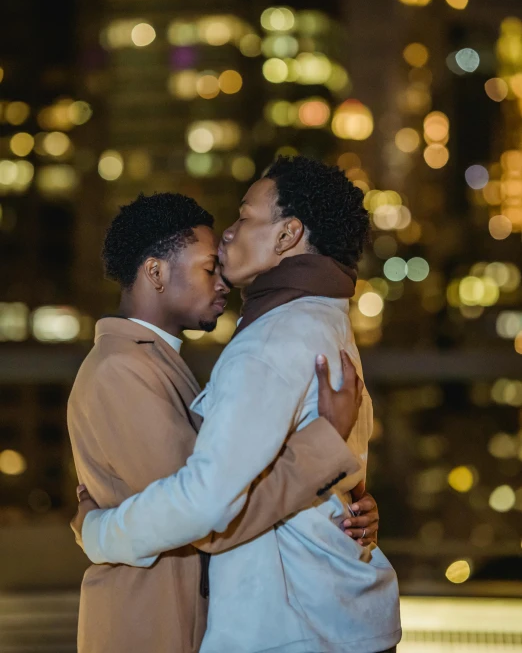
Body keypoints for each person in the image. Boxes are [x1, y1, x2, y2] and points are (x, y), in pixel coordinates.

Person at [73, 158, 401, 653]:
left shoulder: (270, 338)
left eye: (244, 218)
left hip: (292, 628)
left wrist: (96, 532)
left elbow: (207, 505)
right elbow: (208, 501)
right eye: (207, 266)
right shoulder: (316, 324)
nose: (229, 237)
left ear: (289, 235)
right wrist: (330, 465)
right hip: (184, 621)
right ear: (155, 272)